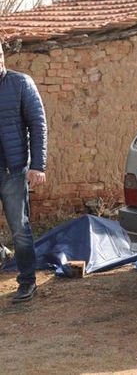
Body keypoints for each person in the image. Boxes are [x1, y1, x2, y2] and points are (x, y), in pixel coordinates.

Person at [0, 43, 48, 303]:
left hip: (13, 171)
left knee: (19, 228)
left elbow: (37, 125)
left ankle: (27, 281)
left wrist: (38, 165)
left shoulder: (20, 83)